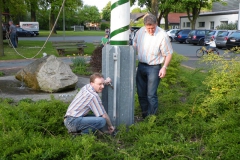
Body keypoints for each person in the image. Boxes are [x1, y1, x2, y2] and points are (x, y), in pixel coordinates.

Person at [133, 14, 173, 119]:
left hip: (154, 68)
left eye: (153, 28)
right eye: (149, 28)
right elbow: (135, 43)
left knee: (151, 95)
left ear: (156, 24)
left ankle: (152, 119)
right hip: (141, 65)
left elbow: (168, 53)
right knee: (141, 93)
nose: (151, 30)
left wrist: (164, 67)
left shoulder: (162, 35)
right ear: (145, 26)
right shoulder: (140, 32)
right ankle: (145, 115)